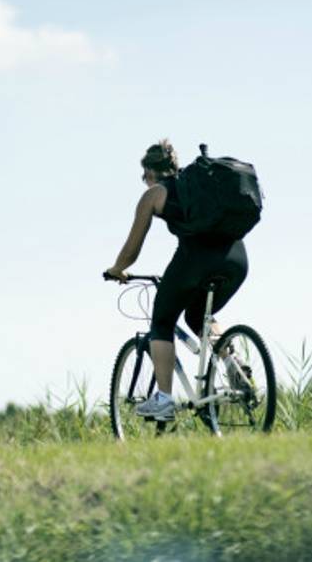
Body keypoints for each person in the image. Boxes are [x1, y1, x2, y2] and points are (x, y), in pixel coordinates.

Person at [105, 139, 249, 421]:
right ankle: (233, 363)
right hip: (237, 259)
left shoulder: (154, 194)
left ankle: (164, 399)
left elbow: (131, 251)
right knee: (198, 317)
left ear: (149, 171)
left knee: (162, 320)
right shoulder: (201, 185)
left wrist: (117, 269)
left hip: (196, 260)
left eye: (143, 176)